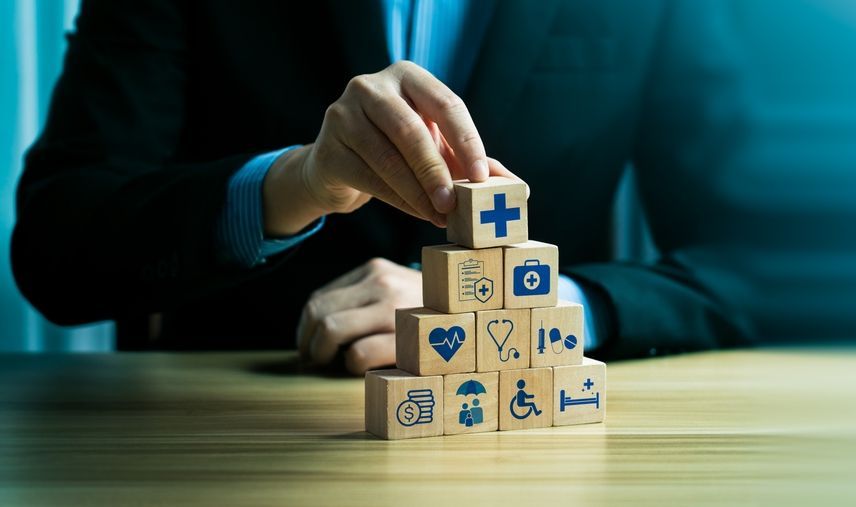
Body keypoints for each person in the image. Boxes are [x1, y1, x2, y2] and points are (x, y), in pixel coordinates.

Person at [12, 0, 750, 374]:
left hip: (528, 445)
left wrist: (529, 311)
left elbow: (749, 258)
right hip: (229, 435)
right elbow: (56, 244)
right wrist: (296, 181)